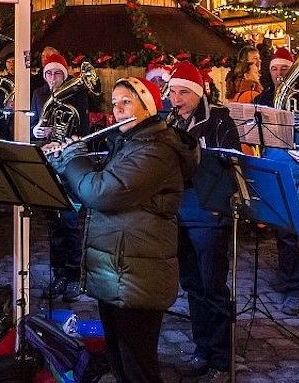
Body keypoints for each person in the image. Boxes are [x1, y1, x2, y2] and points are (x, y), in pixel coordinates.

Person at [47, 76, 197, 383]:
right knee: (119, 361)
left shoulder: (157, 150)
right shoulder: (127, 142)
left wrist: (74, 158)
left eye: (126, 102)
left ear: (148, 107)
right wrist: (63, 166)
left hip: (137, 275)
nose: (118, 110)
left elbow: (102, 192)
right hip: (116, 270)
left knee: (138, 366)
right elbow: (90, 196)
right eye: (114, 103)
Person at [166, 62, 239, 378]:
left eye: (183, 92)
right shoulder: (170, 121)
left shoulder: (219, 120)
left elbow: (234, 164)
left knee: (213, 287)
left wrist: (217, 204)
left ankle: (222, 359)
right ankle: (202, 348)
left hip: (207, 211)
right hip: (180, 211)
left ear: (197, 93)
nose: (176, 98)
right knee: (193, 285)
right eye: (171, 92)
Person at [254, 47, 299, 316]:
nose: (279, 74)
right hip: (273, 168)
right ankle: (292, 282)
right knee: (283, 232)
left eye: (284, 69)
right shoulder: (262, 98)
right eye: (275, 69)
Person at [31, 53, 89, 302]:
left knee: (71, 223)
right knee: (53, 223)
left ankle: (74, 276)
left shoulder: (78, 94)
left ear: (65, 74)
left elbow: (84, 129)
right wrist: (37, 130)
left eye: (57, 74)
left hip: (71, 162)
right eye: (49, 74)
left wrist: (67, 139)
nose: (53, 79)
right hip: (49, 161)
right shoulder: (39, 94)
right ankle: (58, 275)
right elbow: (36, 124)